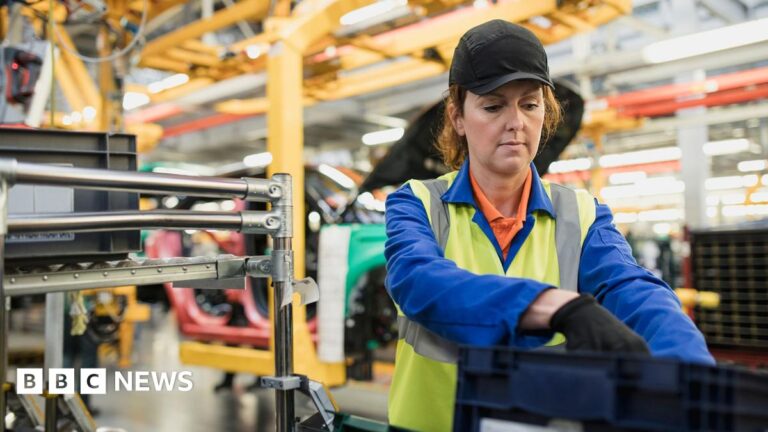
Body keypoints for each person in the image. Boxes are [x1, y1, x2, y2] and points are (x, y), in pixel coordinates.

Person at [383, 19, 714, 432]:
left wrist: (691, 375)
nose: (516, 122)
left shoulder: (582, 213)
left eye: (530, 104)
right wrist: (555, 307)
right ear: (458, 117)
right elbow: (420, 283)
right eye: (493, 106)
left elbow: (632, 289)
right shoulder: (417, 203)